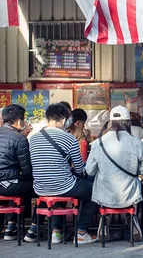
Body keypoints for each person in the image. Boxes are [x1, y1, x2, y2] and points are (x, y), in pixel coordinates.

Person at [28, 103, 98, 244]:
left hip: (40, 188)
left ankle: (55, 232)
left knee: (62, 182)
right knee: (94, 191)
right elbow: (79, 169)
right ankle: (81, 231)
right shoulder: (69, 138)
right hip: (64, 186)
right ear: (64, 120)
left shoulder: (33, 138)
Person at [85, 106, 143, 241]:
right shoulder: (137, 143)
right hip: (130, 195)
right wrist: (138, 174)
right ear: (128, 123)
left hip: (104, 194)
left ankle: (104, 218)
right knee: (135, 186)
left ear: (110, 122)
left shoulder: (98, 143)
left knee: (99, 182)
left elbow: (89, 171)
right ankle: (131, 218)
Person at [0, 105, 33, 241]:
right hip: (7, 184)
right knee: (40, 186)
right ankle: (34, 230)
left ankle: (11, 227)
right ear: (19, 121)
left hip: (6, 183)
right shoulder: (19, 139)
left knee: (20, 184)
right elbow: (26, 171)